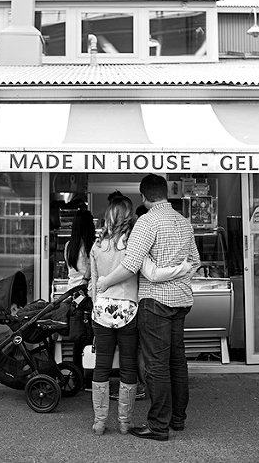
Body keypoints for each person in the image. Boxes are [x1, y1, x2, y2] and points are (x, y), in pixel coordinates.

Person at [97, 173, 200, 442]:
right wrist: (176, 273)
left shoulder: (146, 221)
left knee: (156, 365)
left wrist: (105, 282)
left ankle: (158, 426)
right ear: (165, 193)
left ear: (144, 196)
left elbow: (131, 265)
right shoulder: (184, 222)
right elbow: (196, 262)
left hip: (155, 302)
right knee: (177, 361)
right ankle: (178, 419)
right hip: (182, 301)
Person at [88, 195, 138, 436]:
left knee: (102, 367)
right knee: (128, 366)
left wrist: (95, 303)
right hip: (129, 309)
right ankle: (124, 422)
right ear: (127, 215)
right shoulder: (132, 242)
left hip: (101, 311)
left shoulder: (97, 245)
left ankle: (99, 422)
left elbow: (93, 280)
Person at [63, 208, 95, 372]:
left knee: (78, 337)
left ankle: (77, 376)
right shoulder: (91, 245)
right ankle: (90, 376)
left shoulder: (69, 245)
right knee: (90, 335)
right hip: (87, 294)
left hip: (73, 294)